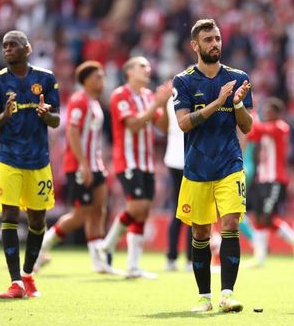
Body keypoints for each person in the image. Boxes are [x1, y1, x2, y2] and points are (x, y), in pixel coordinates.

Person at [173, 18, 253, 313]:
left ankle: (227, 294)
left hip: (230, 164)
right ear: (195, 45)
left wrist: (238, 105)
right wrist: (218, 102)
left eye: (217, 38)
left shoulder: (238, 77)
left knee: (231, 224)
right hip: (196, 168)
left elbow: (247, 128)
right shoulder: (183, 81)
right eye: (208, 39)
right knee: (200, 233)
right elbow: (183, 123)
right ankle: (204, 297)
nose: (215, 44)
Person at [0, 30, 60, 298]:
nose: (7, 49)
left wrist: (46, 114)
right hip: (8, 158)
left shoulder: (46, 79)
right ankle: (15, 281)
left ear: (27, 49)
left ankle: (28, 274)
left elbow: (56, 120)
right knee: (9, 216)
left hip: (39, 159)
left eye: (13, 45)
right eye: (4, 46)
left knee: (37, 219)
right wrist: (4, 114)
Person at [34, 61, 111, 274]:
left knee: (99, 211)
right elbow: (72, 132)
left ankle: (98, 261)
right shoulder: (79, 100)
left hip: (96, 165)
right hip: (79, 165)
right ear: (85, 80)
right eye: (98, 76)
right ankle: (41, 249)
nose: (102, 80)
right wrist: (83, 164)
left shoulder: (95, 103)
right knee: (79, 215)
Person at [98, 56, 172, 279]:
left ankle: (133, 265)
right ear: (129, 71)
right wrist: (156, 105)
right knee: (137, 207)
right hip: (128, 161)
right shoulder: (120, 95)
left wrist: (164, 105)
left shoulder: (148, 96)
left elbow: (164, 127)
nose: (148, 70)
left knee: (143, 212)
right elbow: (133, 123)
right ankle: (107, 245)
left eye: (149, 67)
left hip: (147, 162)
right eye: (142, 66)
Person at [246, 97, 294, 267]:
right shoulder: (267, 128)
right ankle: (260, 257)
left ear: (277, 113)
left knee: (267, 217)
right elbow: (251, 134)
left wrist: (250, 112)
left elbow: (257, 127)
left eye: (269, 110)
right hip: (262, 178)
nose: (266, 113)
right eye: (264, 110)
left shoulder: (281, 127)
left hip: (276, 179)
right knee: (259, 217)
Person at [157, 96, 193, 272]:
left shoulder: (173, 98)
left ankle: (171, 258)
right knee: (193, 212)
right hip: (190, 160)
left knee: (177, 211)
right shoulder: (197, 95)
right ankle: (191, 260)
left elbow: (162, 127)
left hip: (173, 158)